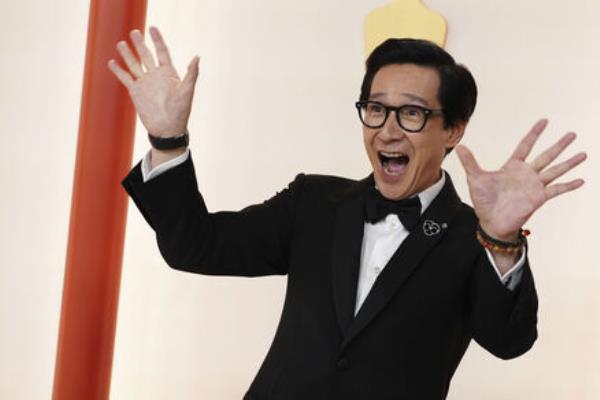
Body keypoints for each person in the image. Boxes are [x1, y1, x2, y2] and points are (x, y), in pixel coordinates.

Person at [109, 26, 586, 399]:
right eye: (375, 109)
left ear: (454, 131)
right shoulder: (314, 203)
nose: (388, 130)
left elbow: (509, 341)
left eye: (412, 113)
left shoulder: (473, 236)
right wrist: (167, 141)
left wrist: (501, 238)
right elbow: (196, 246)